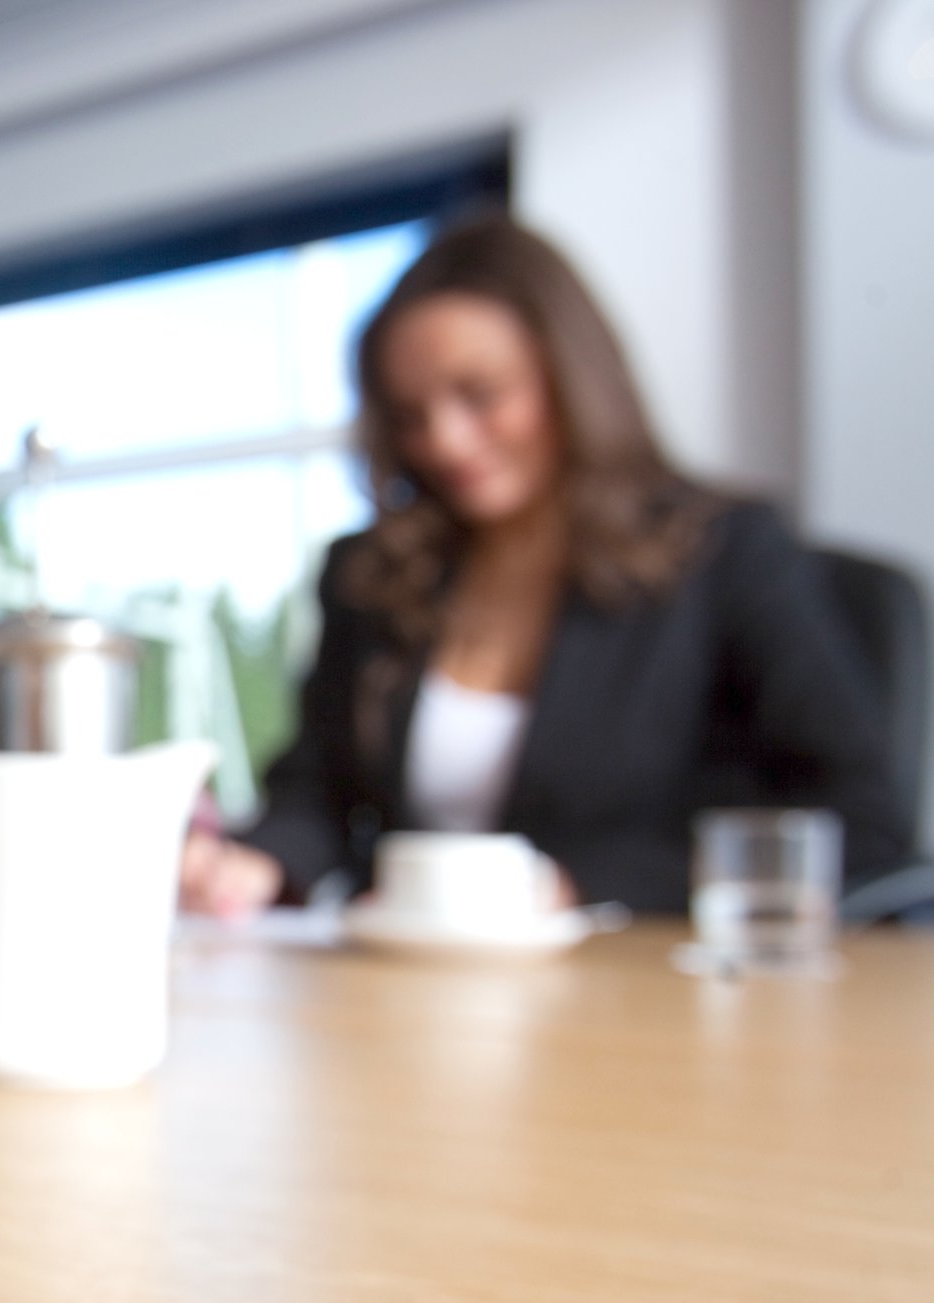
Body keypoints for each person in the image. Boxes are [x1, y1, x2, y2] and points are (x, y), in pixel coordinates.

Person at [182, 217, 910, 917]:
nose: (445, 441)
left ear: (567, 375)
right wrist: (257, 864)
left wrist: (569, 884)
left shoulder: (722, 551)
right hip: (418, 984)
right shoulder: (371, 575)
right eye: (410, 415)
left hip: (645, 986)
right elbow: (318, 794)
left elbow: (855, 814)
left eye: (480, 395)